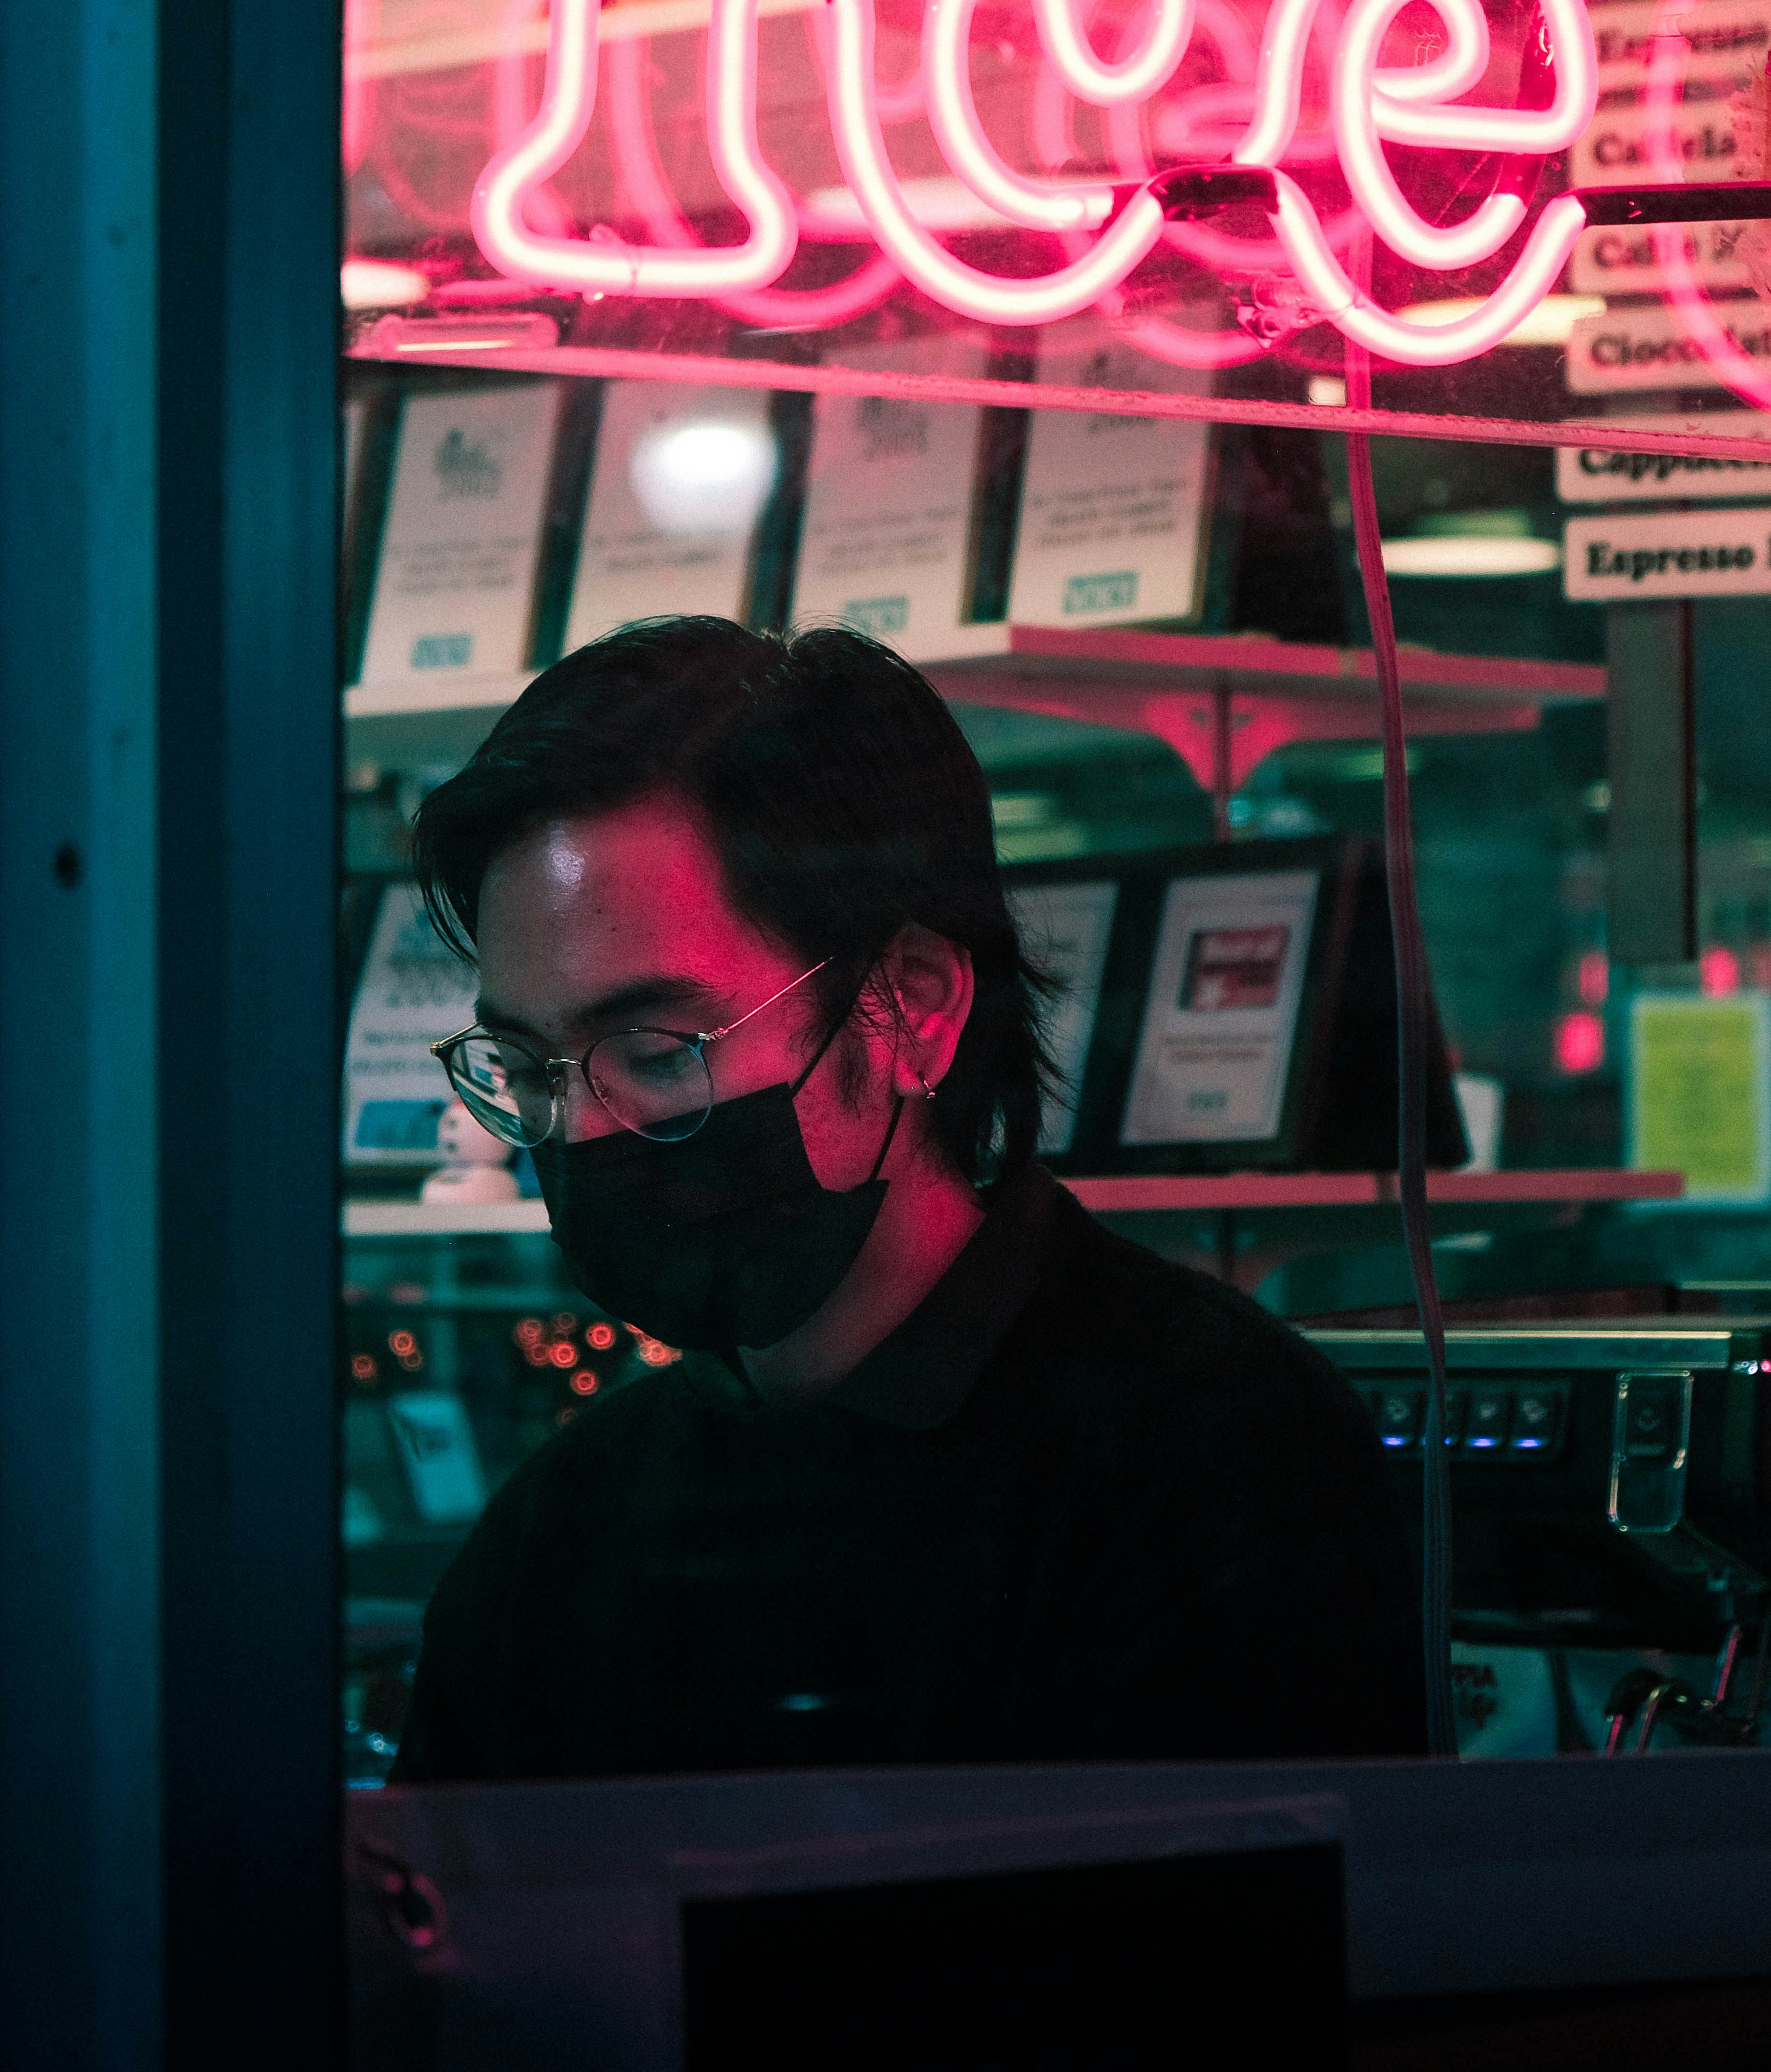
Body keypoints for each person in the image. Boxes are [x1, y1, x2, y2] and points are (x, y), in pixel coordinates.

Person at [393, 619, 1425, 1780]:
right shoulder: (561, 1534)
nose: (580, 1129)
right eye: (529, 1070)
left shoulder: (1215, 1458)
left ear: (910, 1005)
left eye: (656, 1047)